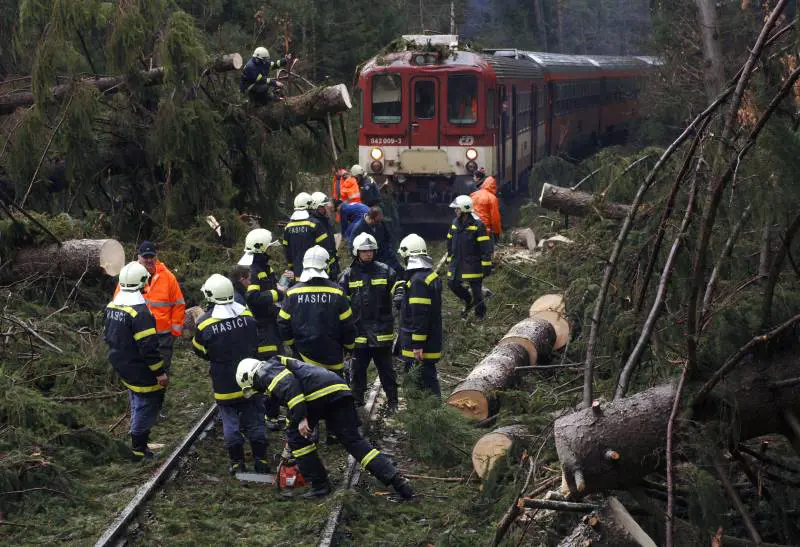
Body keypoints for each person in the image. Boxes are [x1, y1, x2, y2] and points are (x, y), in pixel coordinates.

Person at [236, 356, 413, 499]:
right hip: (337, 390)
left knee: (298, 439)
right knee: (353, 441)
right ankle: (396, 479)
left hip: (318, 395)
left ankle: (320, 485)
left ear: (249, 376)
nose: (257, 390)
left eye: (252, 387)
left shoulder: (265, 371)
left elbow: (290, 386)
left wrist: (301, 419)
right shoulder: (275, 366)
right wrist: (292, 424)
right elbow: (288, 398)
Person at [192, 274, 268, 475]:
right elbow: (257, 342)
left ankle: (237, 463)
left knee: (230, 423)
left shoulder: (204, 323)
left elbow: (200, 351)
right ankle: (261, 460)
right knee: (255, 420)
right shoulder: (247, 315)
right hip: (251, 379)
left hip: (224, 383)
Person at [104, 261, 168, 461]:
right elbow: (149, 348)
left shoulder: (112, 306)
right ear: (142, 282)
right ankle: (139, 449)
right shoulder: (140, 313)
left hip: (122, 364)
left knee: (136, 400)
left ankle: (137, 440)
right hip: (140, 368)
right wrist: (160, 373)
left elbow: (107, 336)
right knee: (147, 404)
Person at [339, 233, 398, 409]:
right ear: (357, 252)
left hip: (381, 332)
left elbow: (398, 291)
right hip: (358, 334)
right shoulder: (347, 276)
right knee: (357, 371)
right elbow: (341, 305)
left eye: (371, 250)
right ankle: (357, 403)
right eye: (364, 251)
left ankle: (393, 402)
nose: (368, 253)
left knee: (387, 371)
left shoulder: (386, 271)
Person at [277, 246, 356, 374]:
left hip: (302, 360)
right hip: (333, 358)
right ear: (326, 266)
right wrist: (349, 347)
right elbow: (347, 325)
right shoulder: (337, 292)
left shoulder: (292, 293)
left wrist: (293, 346)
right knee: (334, 387)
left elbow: (282, 323)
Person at [240, 228, 286, 430]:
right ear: (261, 248)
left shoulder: (264, 267)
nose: (272, 250)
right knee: (269, 370)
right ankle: (268, 415)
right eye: (269, 247)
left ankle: (271, 414)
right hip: (262, 329)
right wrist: (278, 294)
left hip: (270, 324)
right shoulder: (254, 270)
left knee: (275, 367)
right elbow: (253, 298)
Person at [126, 241, 185, 374]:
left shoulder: (168, 278)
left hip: (162, 338)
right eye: (145, 257)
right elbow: (119, 301)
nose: (149, 260)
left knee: (162, 373)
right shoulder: (129, 275)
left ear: (156, 257)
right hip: (137, 335)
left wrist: (174, 332)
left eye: (151, 256)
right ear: (139, 257)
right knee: (139, 372)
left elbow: (179, 305)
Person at [396, 234, 443, 397]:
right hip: (431, 339)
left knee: (416, 382)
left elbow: (420, 316)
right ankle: (434, 408)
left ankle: (423, 410)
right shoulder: (429, 276)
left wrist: (417, 344)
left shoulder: (417, 281)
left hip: (418, 346)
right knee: (429, 379)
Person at [447, 195, 493, 320]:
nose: (455, 211)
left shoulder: (478, 225)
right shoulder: (455, 223)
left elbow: (485, 247)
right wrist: (450, 257)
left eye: (457, 208)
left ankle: (480, 315)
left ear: (464, 209)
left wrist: (486, 265)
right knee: (452, 283)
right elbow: (450, 241)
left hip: (473, 263)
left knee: (477, 291)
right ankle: (468, 300)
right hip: (457, 262)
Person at [281, 192, 329, 278]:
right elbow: (325, 247)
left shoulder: (288, 227)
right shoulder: (315, 224)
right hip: (315, 274)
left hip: (297, 274)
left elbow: (287, 251)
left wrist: (291, 267)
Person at [348, 206, 402, 272]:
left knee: (399, 270)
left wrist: (389, 250)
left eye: (380, 221)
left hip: (385, 254)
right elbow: (352, 248)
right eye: (377, 221)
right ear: (370, 218)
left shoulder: (379, 223)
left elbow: (387, 238)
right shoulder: (358, 228)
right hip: (370, 259)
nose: (379, 224)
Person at [309, 191, 340, 278]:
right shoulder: (314, 223)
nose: (326, 208)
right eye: (324, 206)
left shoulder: (324, 220)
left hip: (332, 262)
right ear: (317, 207)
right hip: (321, 264)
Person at [470, 170, 502, 238]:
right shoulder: (492, 198)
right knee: (485, 244)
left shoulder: (473, 195)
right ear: (494, 186)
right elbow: (495, 218)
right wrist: (497, 232)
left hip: (472, 227)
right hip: (485, 229)